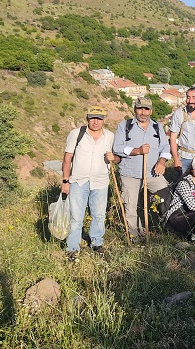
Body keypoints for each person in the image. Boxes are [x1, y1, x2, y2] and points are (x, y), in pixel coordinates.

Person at [61, 106, 118, 262]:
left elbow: (118, 158)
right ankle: (72, 248)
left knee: (99, 215)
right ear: (87, 118)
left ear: (104, 120)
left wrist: (114, 158)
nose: (95, 121)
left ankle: (97, 244)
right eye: (92, 118)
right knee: (76, 217)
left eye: (99, 118)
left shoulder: (110, 136)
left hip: (100, 182)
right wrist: (65, 181)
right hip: (79, 181)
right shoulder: (76, 134)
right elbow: (67, 158)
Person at [112, 97, 173, 244]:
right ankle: (136, 236)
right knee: (130, 206)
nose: (143, 112)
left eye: (146, 109)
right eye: (140, 109)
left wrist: (162, 161)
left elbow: (165, 147)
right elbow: (117, 148)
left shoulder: (157, 127)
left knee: (166, 198)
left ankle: (167, 228)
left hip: (152, 173)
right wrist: (137, 150)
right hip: (130, 173)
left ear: (151, 111)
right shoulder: (124, 126)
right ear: (135, 109)